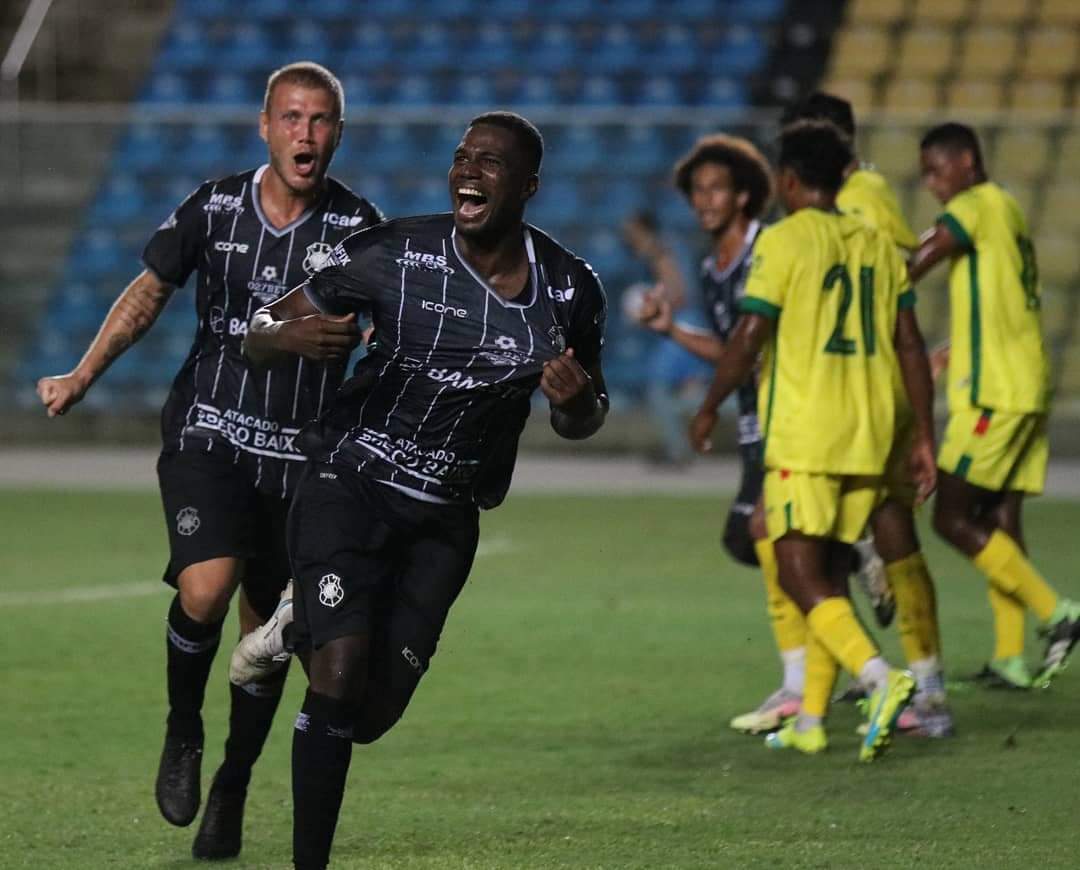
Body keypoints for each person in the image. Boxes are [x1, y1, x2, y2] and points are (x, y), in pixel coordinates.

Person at [235, 111, 608, 870]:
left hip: (444, 520)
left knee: (368, 717)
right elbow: (260, 327)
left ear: (529, 186)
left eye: (491, 162)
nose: (468, 170)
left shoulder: (570, 290)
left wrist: (572, 402)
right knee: (335, 685)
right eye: (462, 157)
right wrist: (287, 336)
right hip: (350, 480)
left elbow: (585, 417)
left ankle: (295, 619)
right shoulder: (395, 250)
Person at [35, 62, 383, 860]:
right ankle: (183, 729)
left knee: (263, 644)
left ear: (338, 132)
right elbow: (149, 290)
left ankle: (232, 783)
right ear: (264, 125)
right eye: (291, 117)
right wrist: (84, 374)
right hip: (209, 432)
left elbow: (385, 336)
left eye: (322, 120)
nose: (306, 133)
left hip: (300, 463)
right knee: (208, 584)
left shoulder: (361, 232)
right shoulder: (217, 206)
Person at [689, 120, 936, 759]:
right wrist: (924, 436)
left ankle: (879, 678)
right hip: (872, 431)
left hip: (807, 430)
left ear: (790, 182)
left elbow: (749, 335)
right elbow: (911, 345)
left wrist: (711, 404)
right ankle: (811, 721)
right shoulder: (878, 244)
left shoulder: (786, 241)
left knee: (794, 566)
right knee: (827, 566)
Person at [782, 92, 952, 736]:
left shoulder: (860, 199)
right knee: (849, 545)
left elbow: (897, 277)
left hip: (859, 399)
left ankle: (901, 688)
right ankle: (871, 696)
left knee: (816, 543)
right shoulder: (855, 204)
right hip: (859, 395)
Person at [635, 134, 806, 735]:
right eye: (697, 190)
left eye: (716, 189)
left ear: (743, 195)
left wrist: (708, 409)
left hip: (796, 416)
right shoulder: (713, 270)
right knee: (758, 543)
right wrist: (671, 330)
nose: (705, 200)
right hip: (760, 416)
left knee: (768, 538)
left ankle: (811, 685)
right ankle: (824, 676)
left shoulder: (771, 249)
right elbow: (733, 352)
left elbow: (757, 347)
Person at [910, 122, 1080, 689]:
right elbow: (1002, 302)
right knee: (999, 520)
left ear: (965, 161)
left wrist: (872, 282)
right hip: (1026, 382)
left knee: (952, 517)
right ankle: (1010, 657)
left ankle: (1060, 614)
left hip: (994, 394)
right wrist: (955, 349)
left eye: (936, 170)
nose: (933, 184)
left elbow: (922, 257)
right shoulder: (1005, 207)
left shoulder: (976, 204)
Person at [622, 210, 710, 466]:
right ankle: (680, 447)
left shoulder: (661, 252)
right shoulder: (668, 248)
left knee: (659, 387)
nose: (629, 239)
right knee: (676, 391)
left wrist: (647, 310)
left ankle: (679, 450)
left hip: (682, 324)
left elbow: (678, 294)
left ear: (644, 230)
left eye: (632, 233)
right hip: (686, 323)